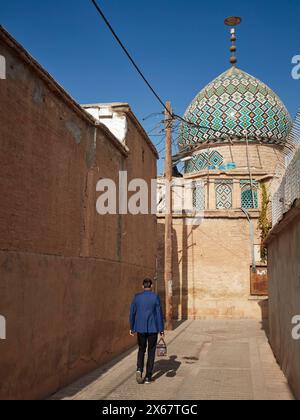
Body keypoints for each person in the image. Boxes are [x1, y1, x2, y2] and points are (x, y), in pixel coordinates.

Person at [129, 278, 165, 384]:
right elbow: (159, 314)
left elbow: (132, 313)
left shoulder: (137, 297)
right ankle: (148, 377)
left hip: (140, 328)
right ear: (152, 286)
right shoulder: (155, 297)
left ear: (142, 286)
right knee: (151, 351)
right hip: (153, 328)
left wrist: (132, 327)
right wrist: (161, 329)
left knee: (141, 349)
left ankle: (139, 369)